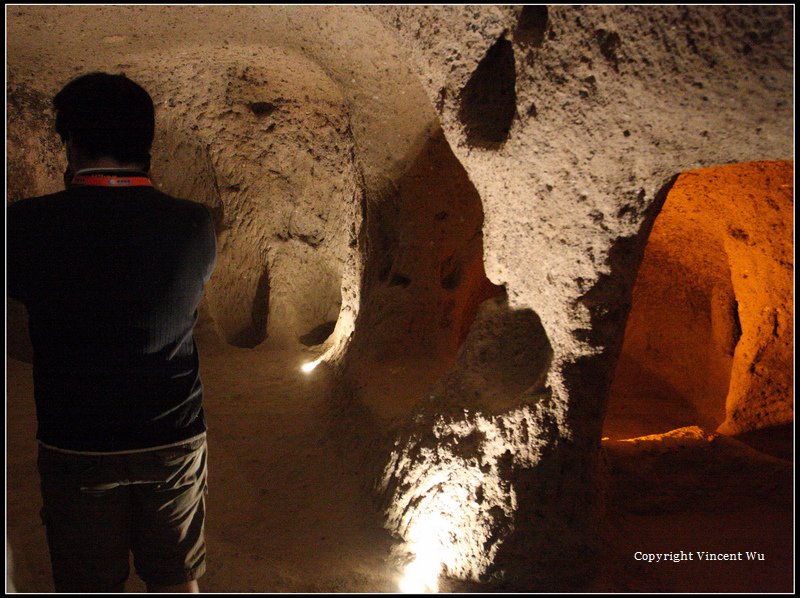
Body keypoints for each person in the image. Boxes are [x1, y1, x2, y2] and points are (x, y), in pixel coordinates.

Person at [7, 72, 217, 593]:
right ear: (147, 142)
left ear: (71, 140)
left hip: (77, 440)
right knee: (175, 578)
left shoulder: (23, 226)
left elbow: (15, 333)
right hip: (173, 435)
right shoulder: (195, 224)